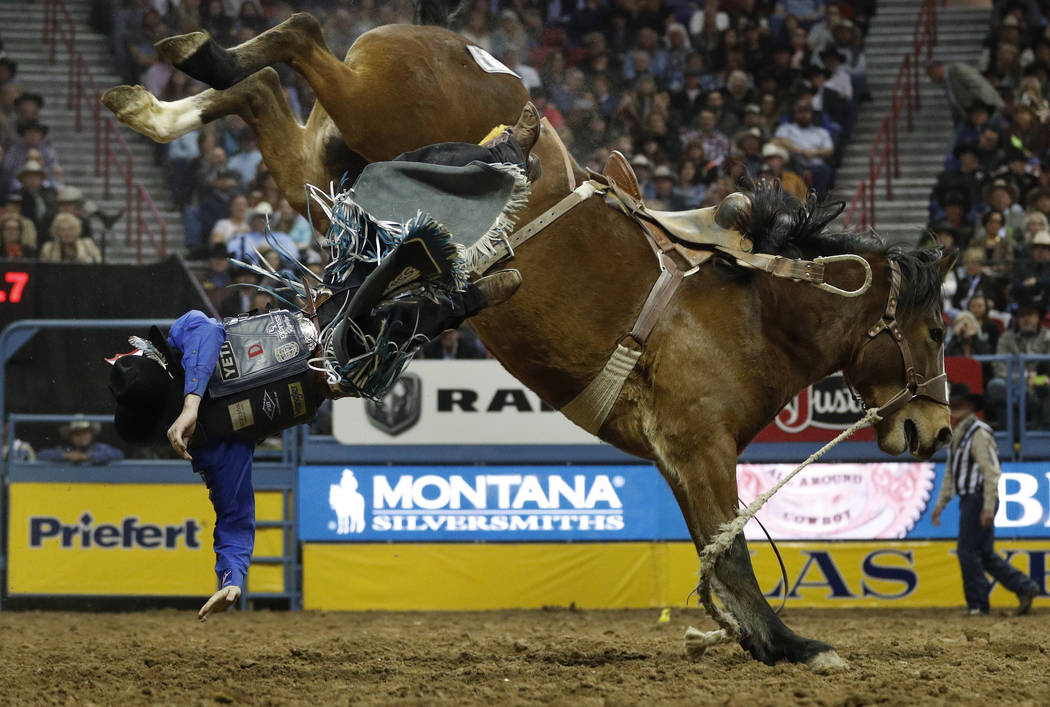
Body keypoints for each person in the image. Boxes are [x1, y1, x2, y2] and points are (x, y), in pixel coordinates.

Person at [109, 105, 540, 621]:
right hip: (338, 370)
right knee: (399, 325)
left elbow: (203, 330)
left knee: (379, 190)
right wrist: (232, 577)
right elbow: (234, 517)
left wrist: (193, 401)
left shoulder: (186, 342)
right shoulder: (213, 447)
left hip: (320, 305)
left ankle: (504, 152)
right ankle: (467, 298)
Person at [931, 384, 1040, 616]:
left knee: (967, 551)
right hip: (973, 498)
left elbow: (991, 471)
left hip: (978, 498)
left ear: (971, 406)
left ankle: (978, 604)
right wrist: (941, 503)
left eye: (960, 403)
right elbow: (951, 473)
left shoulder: (979, 432)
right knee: (984, 553)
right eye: (954, 403)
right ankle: (1024, 586)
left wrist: (988, 506)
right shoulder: (957, 433)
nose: (955, 408)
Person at [37, 419, 125, 465]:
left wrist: (87, 457)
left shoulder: (99, 448)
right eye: (77, 434)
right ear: (71, 437)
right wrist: (66, 456)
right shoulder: (66, 450)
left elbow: (118, 454)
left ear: (91, 434)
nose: (81, 437)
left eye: (84, 432)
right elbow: (41, 454)